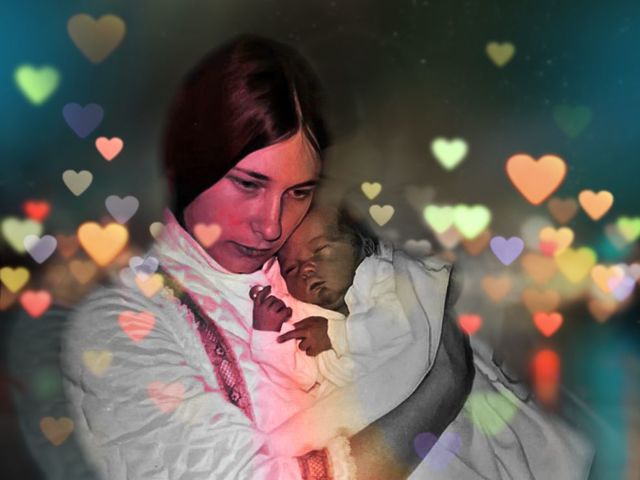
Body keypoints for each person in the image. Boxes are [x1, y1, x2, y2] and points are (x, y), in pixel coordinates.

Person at [60, 34, 475, 480]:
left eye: (298, 192)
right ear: (193, 160)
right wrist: (444, 388)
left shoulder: (317, 250)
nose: (273, 226)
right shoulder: (122, 322)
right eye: (248, 184)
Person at [248, 201, 451, 400]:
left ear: (366, 247)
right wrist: (267, 334)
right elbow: (294, 378)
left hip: (415, 386)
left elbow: (403, 325)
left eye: (319, 250)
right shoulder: (301, 315)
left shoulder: (380, 275)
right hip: (360, 410)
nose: (305, 270)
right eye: (291, 268)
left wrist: (336, 334)